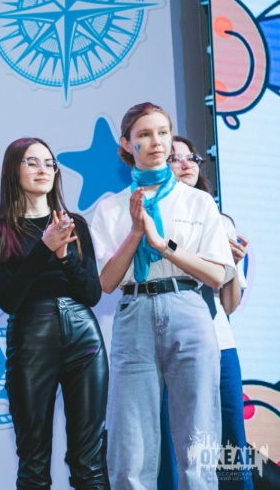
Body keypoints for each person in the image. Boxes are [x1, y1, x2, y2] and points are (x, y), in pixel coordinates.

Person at [90, 102, 234, 489]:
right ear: (126, 144)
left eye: (163, 132)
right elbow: (105, 282)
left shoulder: (197, 201)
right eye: (144, 134)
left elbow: (216, 274)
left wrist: (162, 245)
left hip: (188, 308)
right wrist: (136, 233)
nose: (156, 141)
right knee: (130, 441)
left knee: (198, 433)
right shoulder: (110, 208)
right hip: (134, 311)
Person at [0, 138, 109, 488]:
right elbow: (9, 300)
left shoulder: (75, 224)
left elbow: (92, 293)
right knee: (34, 461)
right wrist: (44, 248)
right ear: (13, 170)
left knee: (89, 460)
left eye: (50, 163)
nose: (44, 170)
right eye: (33, 162)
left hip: (84, 338)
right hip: (31, 338)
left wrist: (63, 256)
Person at [158, 136, 253, 490]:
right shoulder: (155, 220)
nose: (186, 165)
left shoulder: (220, 220)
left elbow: (228, 305)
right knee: (177, 443)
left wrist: (233, 267)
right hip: (173, 345)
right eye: (175, 158)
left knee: (230, 446)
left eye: (192, 158)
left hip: (220, 345)